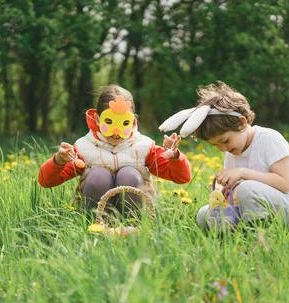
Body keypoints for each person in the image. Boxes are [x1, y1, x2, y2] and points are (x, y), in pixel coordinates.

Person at [159, 81, 289, 230]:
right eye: (215, 145)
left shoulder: (269, 138)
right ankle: (233, 235)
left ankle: (257, 237)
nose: (222, 149)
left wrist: (242, 173)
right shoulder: (231, 152)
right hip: (253, 208)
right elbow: (233, 189)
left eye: (225, 141)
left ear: (242, 123)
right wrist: (222, 190)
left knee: (247, 189)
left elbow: (284, 184)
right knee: (204, 215)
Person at [38, 84, 192, 214]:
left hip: (136, 210)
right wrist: (58, 161)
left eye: (124, 122)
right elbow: (46, 181)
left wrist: (175, 157)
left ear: (133, 121)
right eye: (109, 121)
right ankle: (94, 220)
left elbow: (182, 177)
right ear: (98, 119)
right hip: (95, 213)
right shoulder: (83, 147)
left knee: (129, 174)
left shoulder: (145, 146)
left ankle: (135, 221)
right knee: (98, 175)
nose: (116, 131)